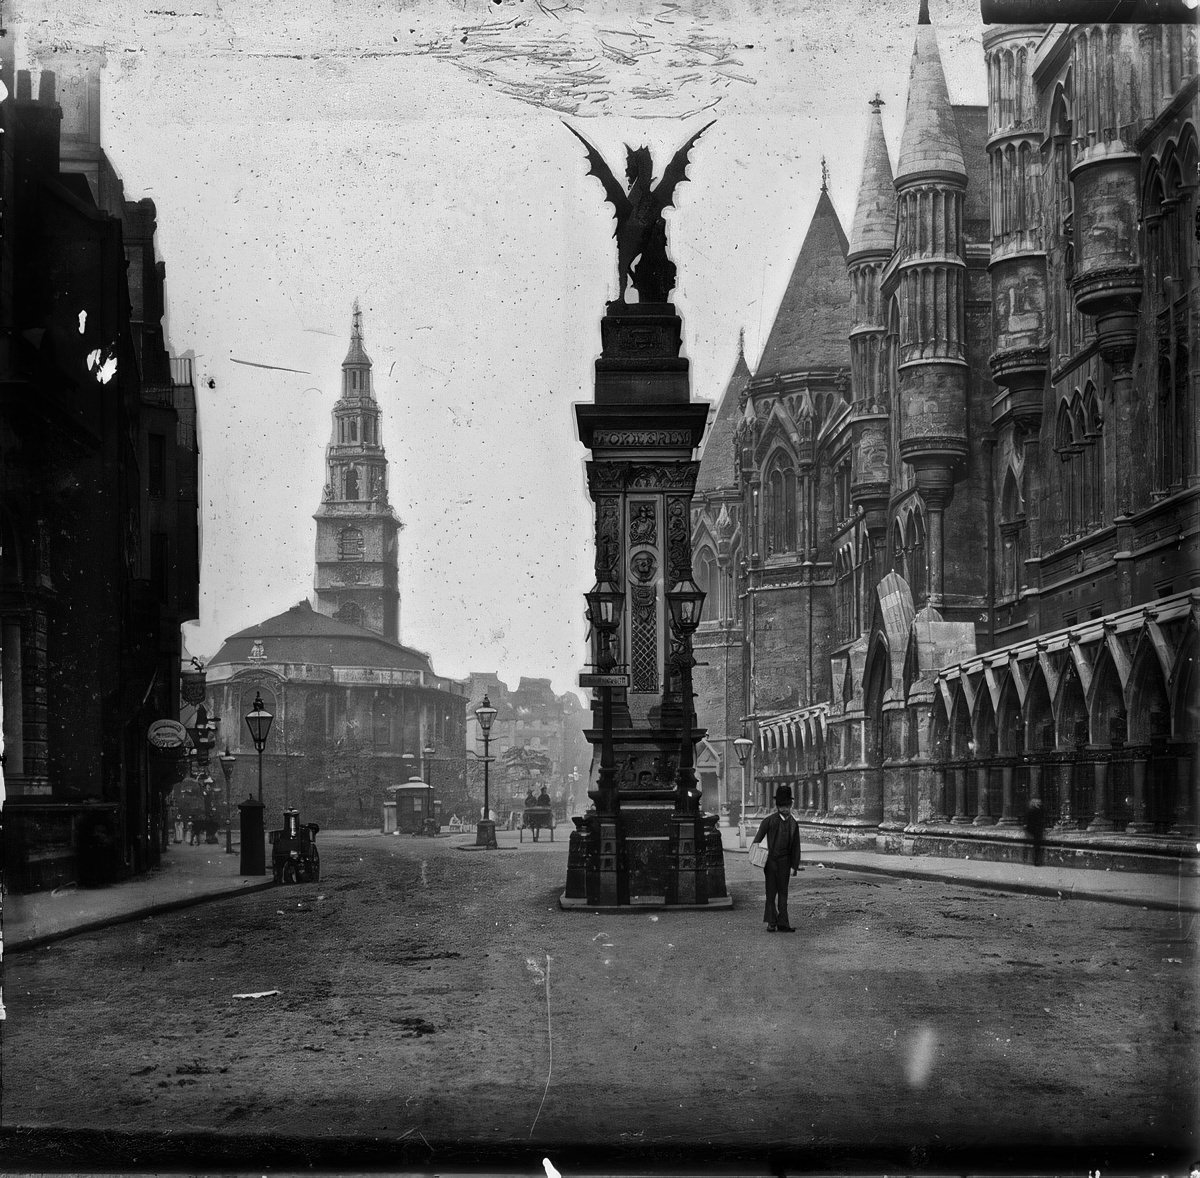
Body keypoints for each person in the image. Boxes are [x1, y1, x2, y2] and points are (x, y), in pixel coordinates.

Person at [751, 785, 803, 933]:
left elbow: (796, 847)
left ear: (791, 805)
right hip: (771, 862)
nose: (785, 809)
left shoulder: (794, 824)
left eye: (787, 806)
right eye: (782, 806)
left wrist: (794, 866)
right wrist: (758, 855)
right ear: (778, 806)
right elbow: (757, 840)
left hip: (785, 863)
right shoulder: (768, 821)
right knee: (770, 893)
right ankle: (771, 922)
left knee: (783, 894)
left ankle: (783, 923)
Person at [1024, 796, 1046, 867]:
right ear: (1035, 803)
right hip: (1036, 829)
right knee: (1037, 846)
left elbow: (1027, 821)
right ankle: (1037, 861)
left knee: (1037, 846)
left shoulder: (1032, 810)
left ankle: (1036, 861)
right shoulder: (1037, 811)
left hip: (1033, 829)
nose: (1040, 803)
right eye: (1038, 802)